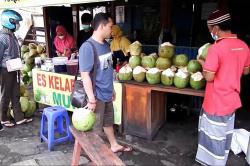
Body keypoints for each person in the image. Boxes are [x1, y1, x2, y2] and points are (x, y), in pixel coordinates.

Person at [195, 10, 250, 166]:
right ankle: (221, 160)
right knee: (224, 135)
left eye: (210, 28)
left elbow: (209, 76)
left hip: (216, 101)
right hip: (232, 100)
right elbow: (246, 71)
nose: (210, 32)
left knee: (213, 137)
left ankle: (213, 163)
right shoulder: (243, 46)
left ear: (217, 29)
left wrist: (201, 62)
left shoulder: (216, 48)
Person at [79, 13, 133, 153]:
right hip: (96, 96)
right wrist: (91, 99)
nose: (112, 29)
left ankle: (114, 145)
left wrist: (112, 89)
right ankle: (94, 156)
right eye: (110, 26)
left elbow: (107, 70)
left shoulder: (106, 46)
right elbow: (84, 75)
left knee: (108, 122)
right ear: (102, 26)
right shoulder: (88, 47)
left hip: (107, 92)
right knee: (95, 129)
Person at [0, 9, 33, 128]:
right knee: (6, 94)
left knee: (15, 93)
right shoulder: (2, 37)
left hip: (14, 69)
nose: (18, 25)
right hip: (5, 70)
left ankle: (19, 118)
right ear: (8, 21)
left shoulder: (11, 35)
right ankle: (3, 118)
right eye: (16, 22)